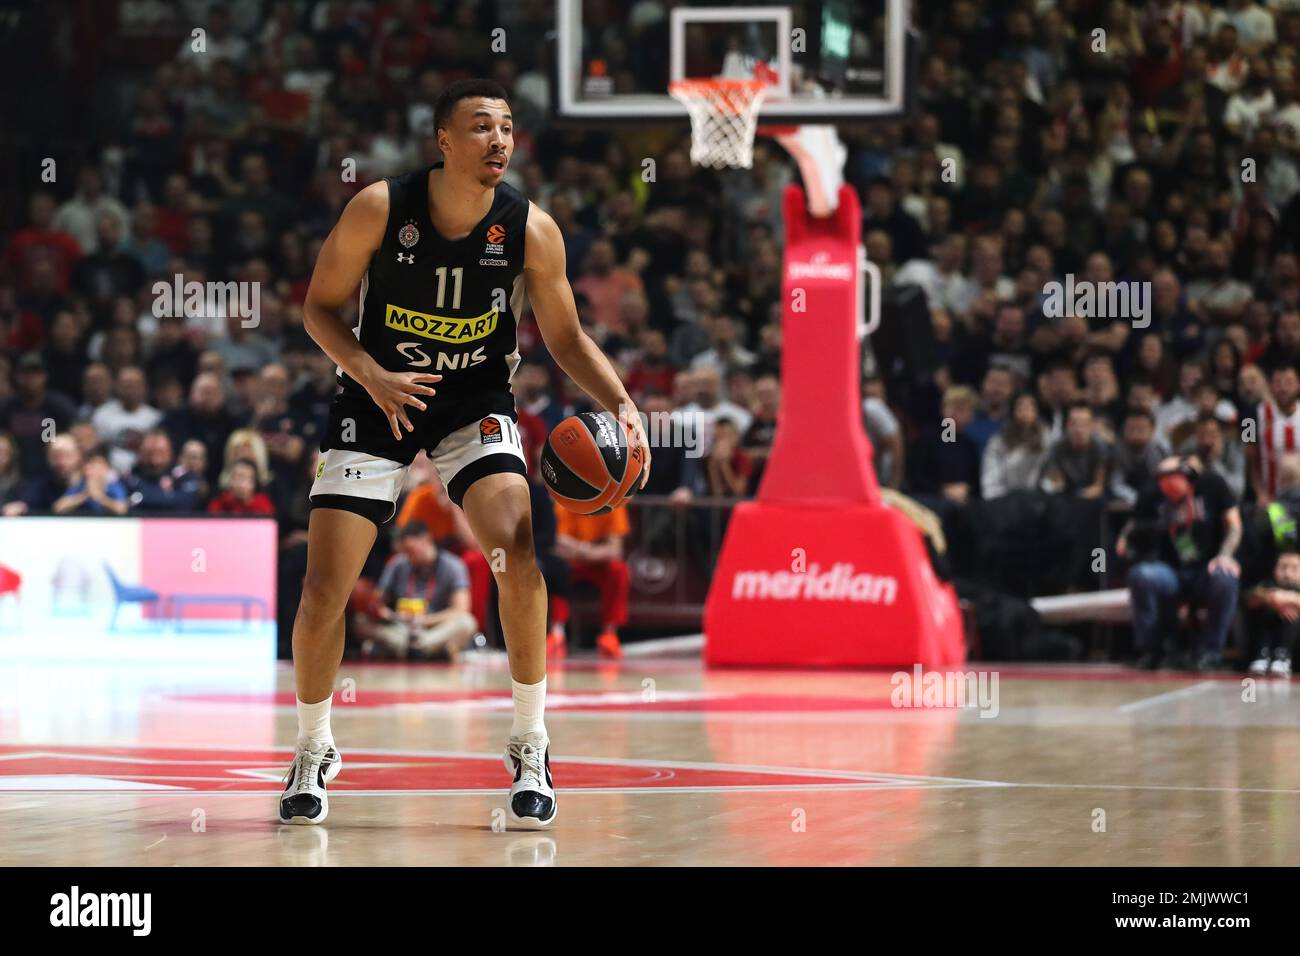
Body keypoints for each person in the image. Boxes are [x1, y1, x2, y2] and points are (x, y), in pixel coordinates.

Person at [283, 79, 650, 829]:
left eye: (508, 127)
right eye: (481, 126)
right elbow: (317, 308)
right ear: (443, 141)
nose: (499, 140)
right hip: (377, 393)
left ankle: (529, 740)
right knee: (325, 587)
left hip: (474, 403)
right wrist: (371, 374)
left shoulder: (531, 230)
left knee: (517, 546)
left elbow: (567, 338)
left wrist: (622, 403)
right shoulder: (381, 208)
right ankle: (313, 747)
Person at [1118, 456, 1242, 671]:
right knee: (1141, 575)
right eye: (1162, 478)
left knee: (1225, 577)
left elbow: (1234, 525)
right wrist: (1126, 537)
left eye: (1174, 476)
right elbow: (1134, 523)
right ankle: (1151, 650)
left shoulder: (1212, 484)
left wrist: (1225, 554)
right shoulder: (1152, 493)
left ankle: (1210, 653)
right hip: (1171, 570)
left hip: (1207, 568)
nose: (1168, 483)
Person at [358, 520, 477, 660]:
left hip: (436, 628)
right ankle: (428, 650)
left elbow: (461, 609)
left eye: (411, 550)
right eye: (405, 552)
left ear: (427, 540)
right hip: (402, 628)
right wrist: (381, 610)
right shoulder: (398, 563)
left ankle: (415, 648)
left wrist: (425, 620)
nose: (408, 556)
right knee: (360, 622)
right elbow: (379, 601)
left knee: (466, 622)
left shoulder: (454, 565)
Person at [551, 500, 631, 659]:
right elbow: (557, 545)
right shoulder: (563, 500)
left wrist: (586, 552)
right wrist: (585, 550)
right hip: (570, 562)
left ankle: (609, 635)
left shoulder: (613, 500)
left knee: (619, 570)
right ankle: (557, 633)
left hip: (596, 563)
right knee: (554, 568)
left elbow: (615, 550)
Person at [1244, 551, 1300, 677]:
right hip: (1268, 638)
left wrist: (1290, 599)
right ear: (1274, 570)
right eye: (1283, 567)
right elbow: (1250, 598)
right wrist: (1272, 600)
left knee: (1293, 613)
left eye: (1295, 568)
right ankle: (1262, 654)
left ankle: (1283, 655)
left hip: (1295, 646)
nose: (1287, 573)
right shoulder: (1268, 585)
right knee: (1267, 611)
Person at [206, 457, 275, 516]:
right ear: (230, 480)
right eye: (238, 477)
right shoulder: (219, 504)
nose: (241, 484)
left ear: (254, 483)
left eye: (246, 478)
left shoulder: (263, 505)